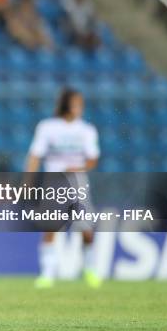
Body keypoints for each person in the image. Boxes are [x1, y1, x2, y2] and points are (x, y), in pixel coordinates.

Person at [25, 88, 101, 289]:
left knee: (85, 229)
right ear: (67, 104)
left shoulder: (86, 129)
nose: (80, 108)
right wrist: (28, 180)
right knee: (51, 227)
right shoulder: (48, 127)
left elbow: (93, 159)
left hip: (78, 181)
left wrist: (79, 167)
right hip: (54, 182)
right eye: (76, 103)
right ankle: (47, 274)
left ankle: (90, 268)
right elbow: (35, 155)